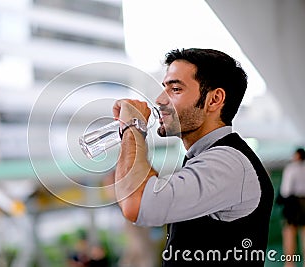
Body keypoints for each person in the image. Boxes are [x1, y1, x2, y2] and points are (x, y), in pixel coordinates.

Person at [112, 48, 274, 266]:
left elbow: (137, 204)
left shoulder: (228, 163)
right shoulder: (206, 157)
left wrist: (133, 126)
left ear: (214, 100)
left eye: (175, 89)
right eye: (164, 89)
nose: (159, 100)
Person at [279, 148, 305, 267]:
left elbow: (285, 190)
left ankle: (289, 263)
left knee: (289, 232)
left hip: (293, 204)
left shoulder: (291, 168)